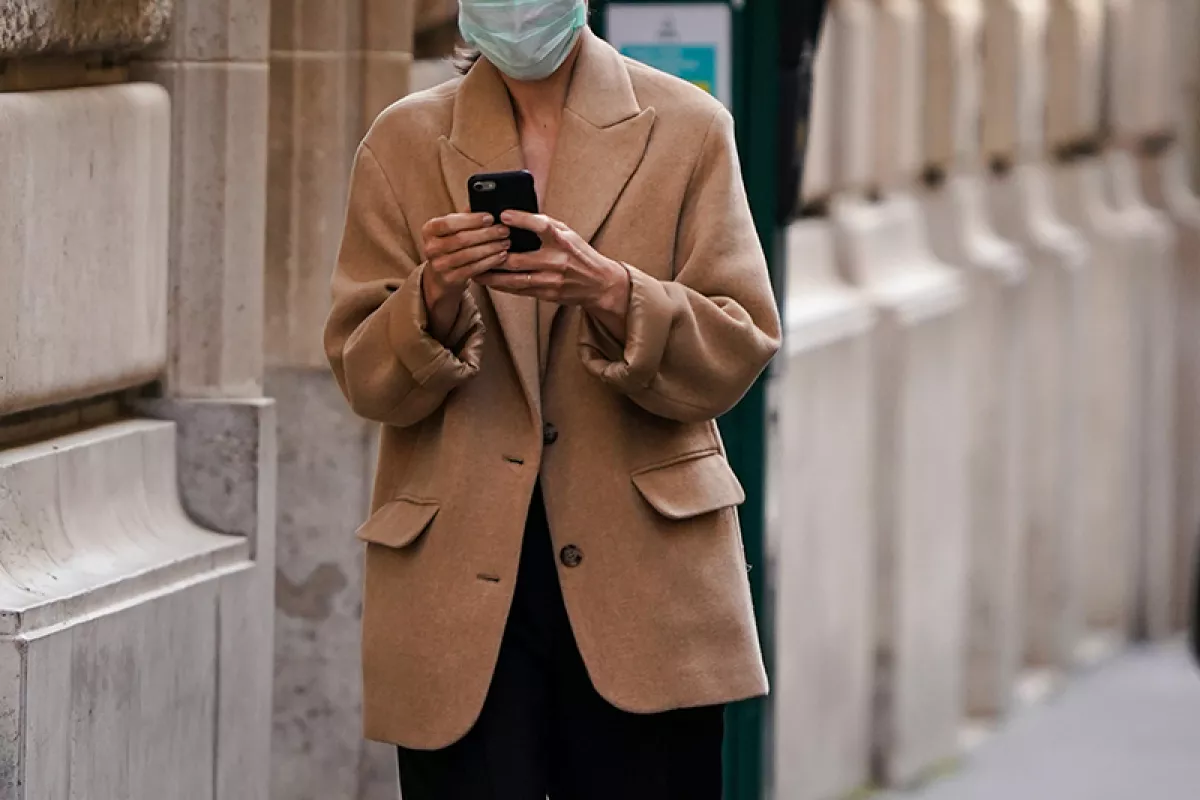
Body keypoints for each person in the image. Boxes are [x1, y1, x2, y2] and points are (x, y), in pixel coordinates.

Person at [323, 0, 781, 796]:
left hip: (647, 580)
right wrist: (433, 296)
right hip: (456, 588)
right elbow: (365, 377)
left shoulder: (689, 127)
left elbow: (737, 347)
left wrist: (612, 291)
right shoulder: (402, 141)